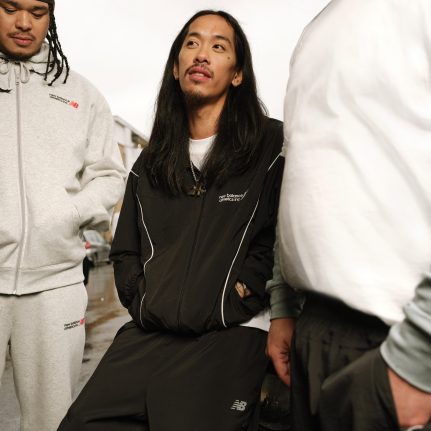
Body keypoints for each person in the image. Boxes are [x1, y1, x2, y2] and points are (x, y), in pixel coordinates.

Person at [58, 9, 284, 431]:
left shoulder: (271, 147)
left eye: (219, 46)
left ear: (238, 74)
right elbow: (125, 249)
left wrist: (241, 294)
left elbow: (281, 238)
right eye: (192, 43)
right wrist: (142, 300)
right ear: (177, 67)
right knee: (80, 422)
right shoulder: (150, 163)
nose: (202, 54)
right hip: (152, 332)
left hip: (232, 328)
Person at [268, 0, 431, 430]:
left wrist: (420, 357)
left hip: (399, 340)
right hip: (314, 331)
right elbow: (298, 176)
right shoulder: (314, 32)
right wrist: (282, 304)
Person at [0, 1, 126, 430]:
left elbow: (109, 176)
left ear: (51, 17)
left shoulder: (81, 95)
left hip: (56, 284)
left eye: (37, 12)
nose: (23, 22)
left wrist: (68, 213)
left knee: (51, 421)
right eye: (10, 8)